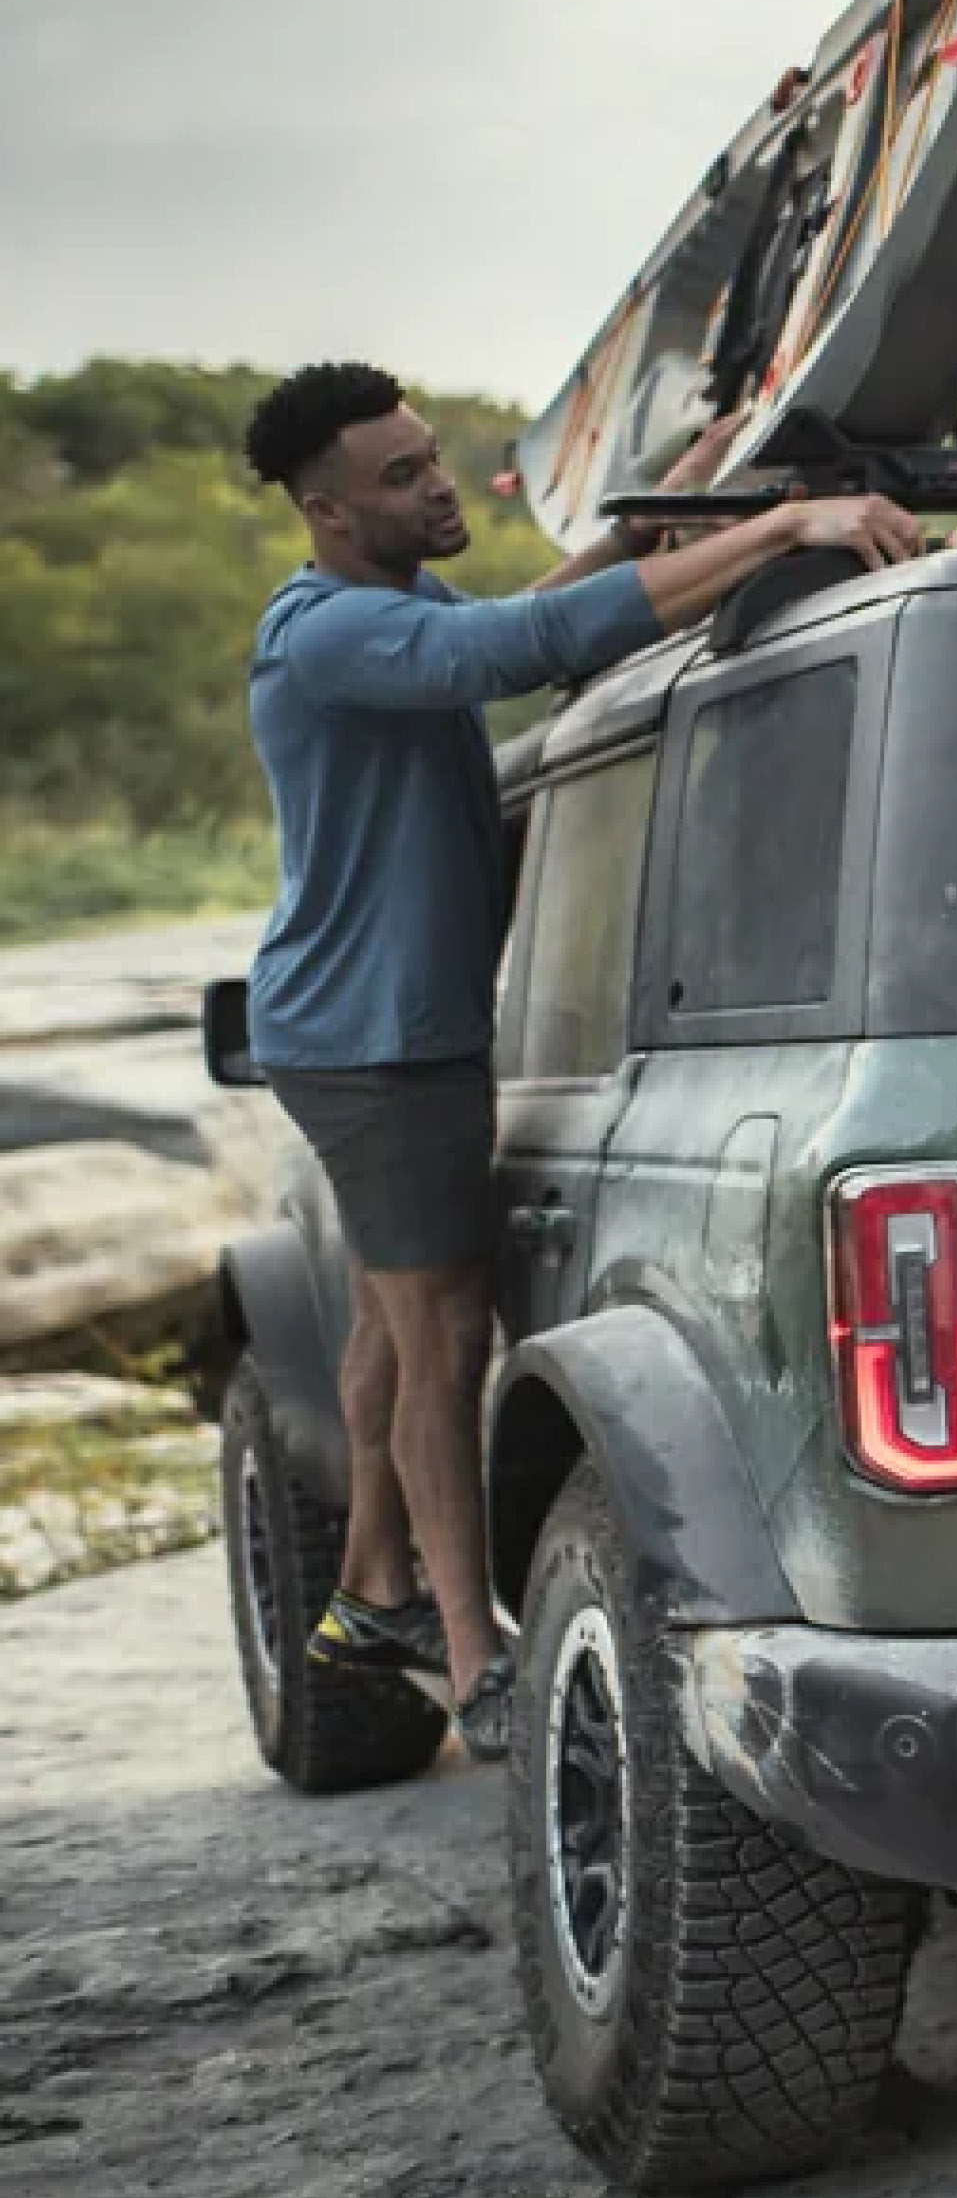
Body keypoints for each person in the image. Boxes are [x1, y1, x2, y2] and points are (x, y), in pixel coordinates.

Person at [239, 361, 920, 1761]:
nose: (436, 487)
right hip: (377, 1042)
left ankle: (372, 1590)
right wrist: (783, 530)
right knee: (443, 1336)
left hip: (376, 1028)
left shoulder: (390, 600)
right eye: (402, 477)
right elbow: (525, 646)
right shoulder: (326, 636)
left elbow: (533, 603)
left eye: (435, 459)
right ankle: (474, 1652)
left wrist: (678, 499)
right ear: (324, 510)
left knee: (387, 1320)